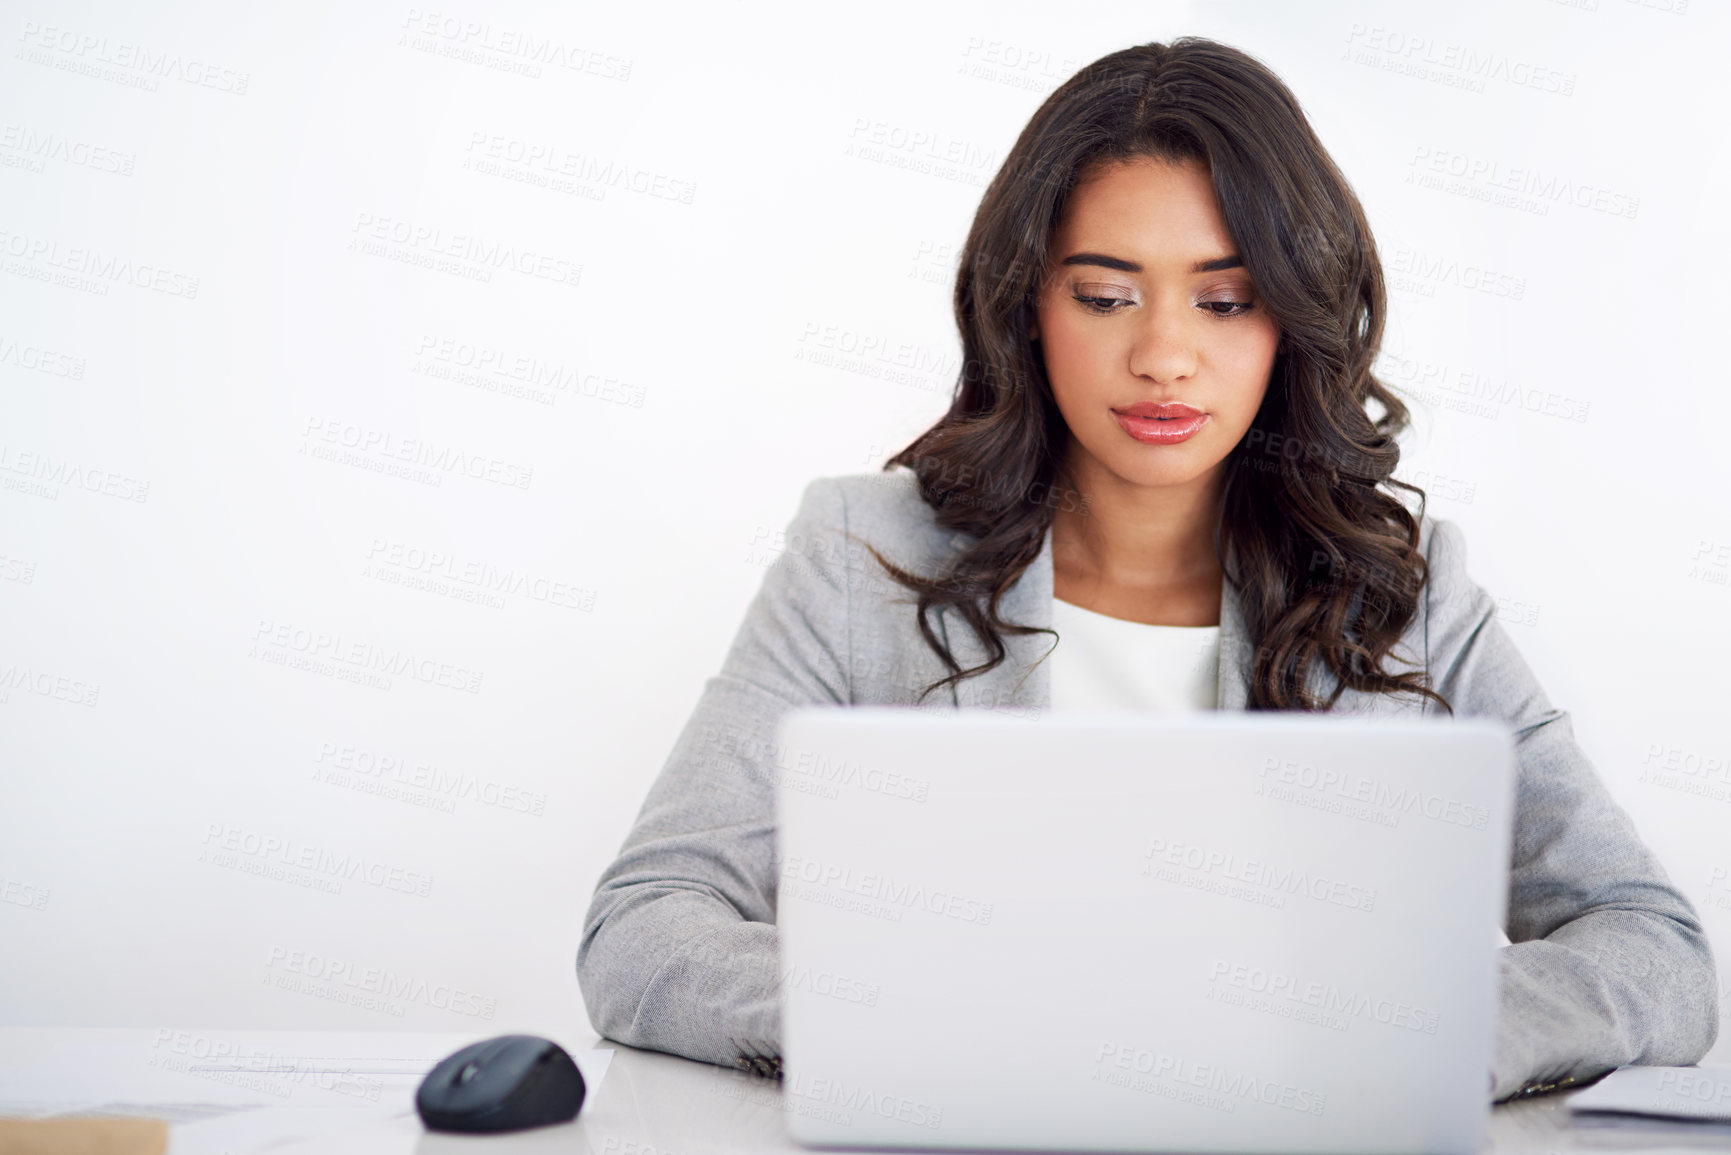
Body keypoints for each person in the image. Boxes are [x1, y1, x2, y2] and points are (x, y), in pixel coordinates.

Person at [577, 37, 1719, 1103]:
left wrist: (1398, 1034)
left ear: (1292, 326)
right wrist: (922, 1019)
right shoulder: (856, 560)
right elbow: (646, 924)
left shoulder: (1405, 595)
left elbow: (1651, 949)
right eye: (1106, 295)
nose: (1164, 355)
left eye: (1223, 302)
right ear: (1027, 307)